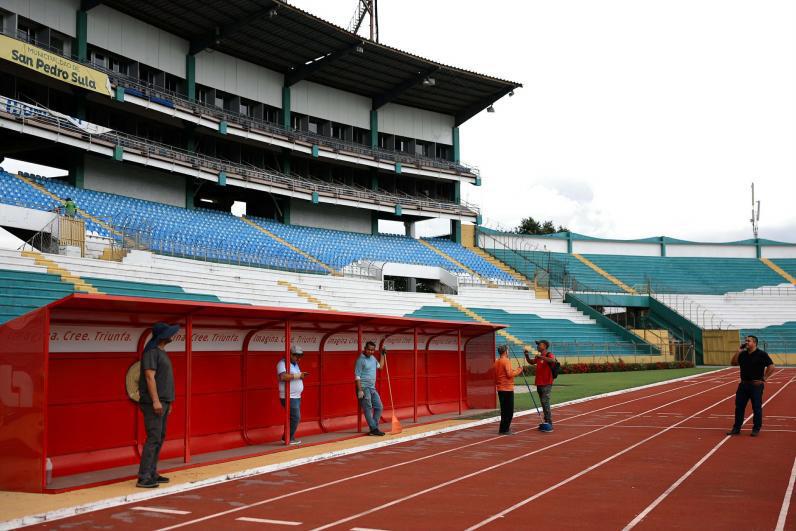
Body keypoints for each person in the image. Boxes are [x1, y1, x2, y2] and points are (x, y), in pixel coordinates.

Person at [137, 322, 180, 488]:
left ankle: (152, 472)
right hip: (154, 402)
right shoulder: (151, 352)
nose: (172, 335)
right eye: (169, 333)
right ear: (162, 336)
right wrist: (155, 400)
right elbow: (149, 377)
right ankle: (144, 476)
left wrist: (168, 402)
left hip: (163, 402)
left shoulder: (161, 351)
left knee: (159, 437)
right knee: (153, 438)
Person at [726, 335, 775, 437]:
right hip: (743, 385)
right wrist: (738, 351)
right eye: (746, 341)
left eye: (748, 341)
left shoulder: (761, 354)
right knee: (739, 407)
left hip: (756, 386)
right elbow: (733, 363)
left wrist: (764, 378)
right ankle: (736, 428)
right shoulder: (743, 354)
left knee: (756, 408)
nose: (746, 342)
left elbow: (771, 366)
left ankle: (756, 428)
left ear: (755, 343)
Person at [277, 345, 309, 445]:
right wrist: (298, 376)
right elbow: (282, 377)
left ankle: (288, 437)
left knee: (294, 417)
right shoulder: (282, 363)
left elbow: (294, 376)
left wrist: (301, 376)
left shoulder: (295, 364)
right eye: (296, 355)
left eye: (300, 356)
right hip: (288, 396)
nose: (298, 358)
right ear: (289, 354)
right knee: (296, 417)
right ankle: (287, 438)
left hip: (296, 396)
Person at [355, 341, 386, 436]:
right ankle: (373, 428)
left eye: (372, 350)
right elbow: (357, 376)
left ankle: (374, 428)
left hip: (372, 388)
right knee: (368, 408)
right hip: (364, 388)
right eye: (369, 349)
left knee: (379, 407)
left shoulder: (373, 358)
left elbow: (380, 367)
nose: (370, 351)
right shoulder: (360, 360)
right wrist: (360, 390)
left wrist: (383, 355)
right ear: (365, 348)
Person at [525, 339, 556, 432]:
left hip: (547, 383)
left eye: (540, 345)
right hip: (539, 383)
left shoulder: (548, 354)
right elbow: (531, 362)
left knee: (545, 402)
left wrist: (541, 357)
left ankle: (549, 423)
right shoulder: (539, 356)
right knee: (543, 403)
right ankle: (546, 421)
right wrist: (526, 355)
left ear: (545, 346)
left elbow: (552, 360)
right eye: (537, 345)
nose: (538, 346)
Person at [494, 344, 524, 435]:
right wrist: (519, 370)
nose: (509, 352)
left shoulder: (496, 362)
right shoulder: (506, 361)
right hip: (507, 388)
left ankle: (503, 428)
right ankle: (505, 429)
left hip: (500, 388)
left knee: (504, 410)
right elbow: (509, 374)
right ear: (505, 351)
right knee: (509, 411)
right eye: (508, 350)